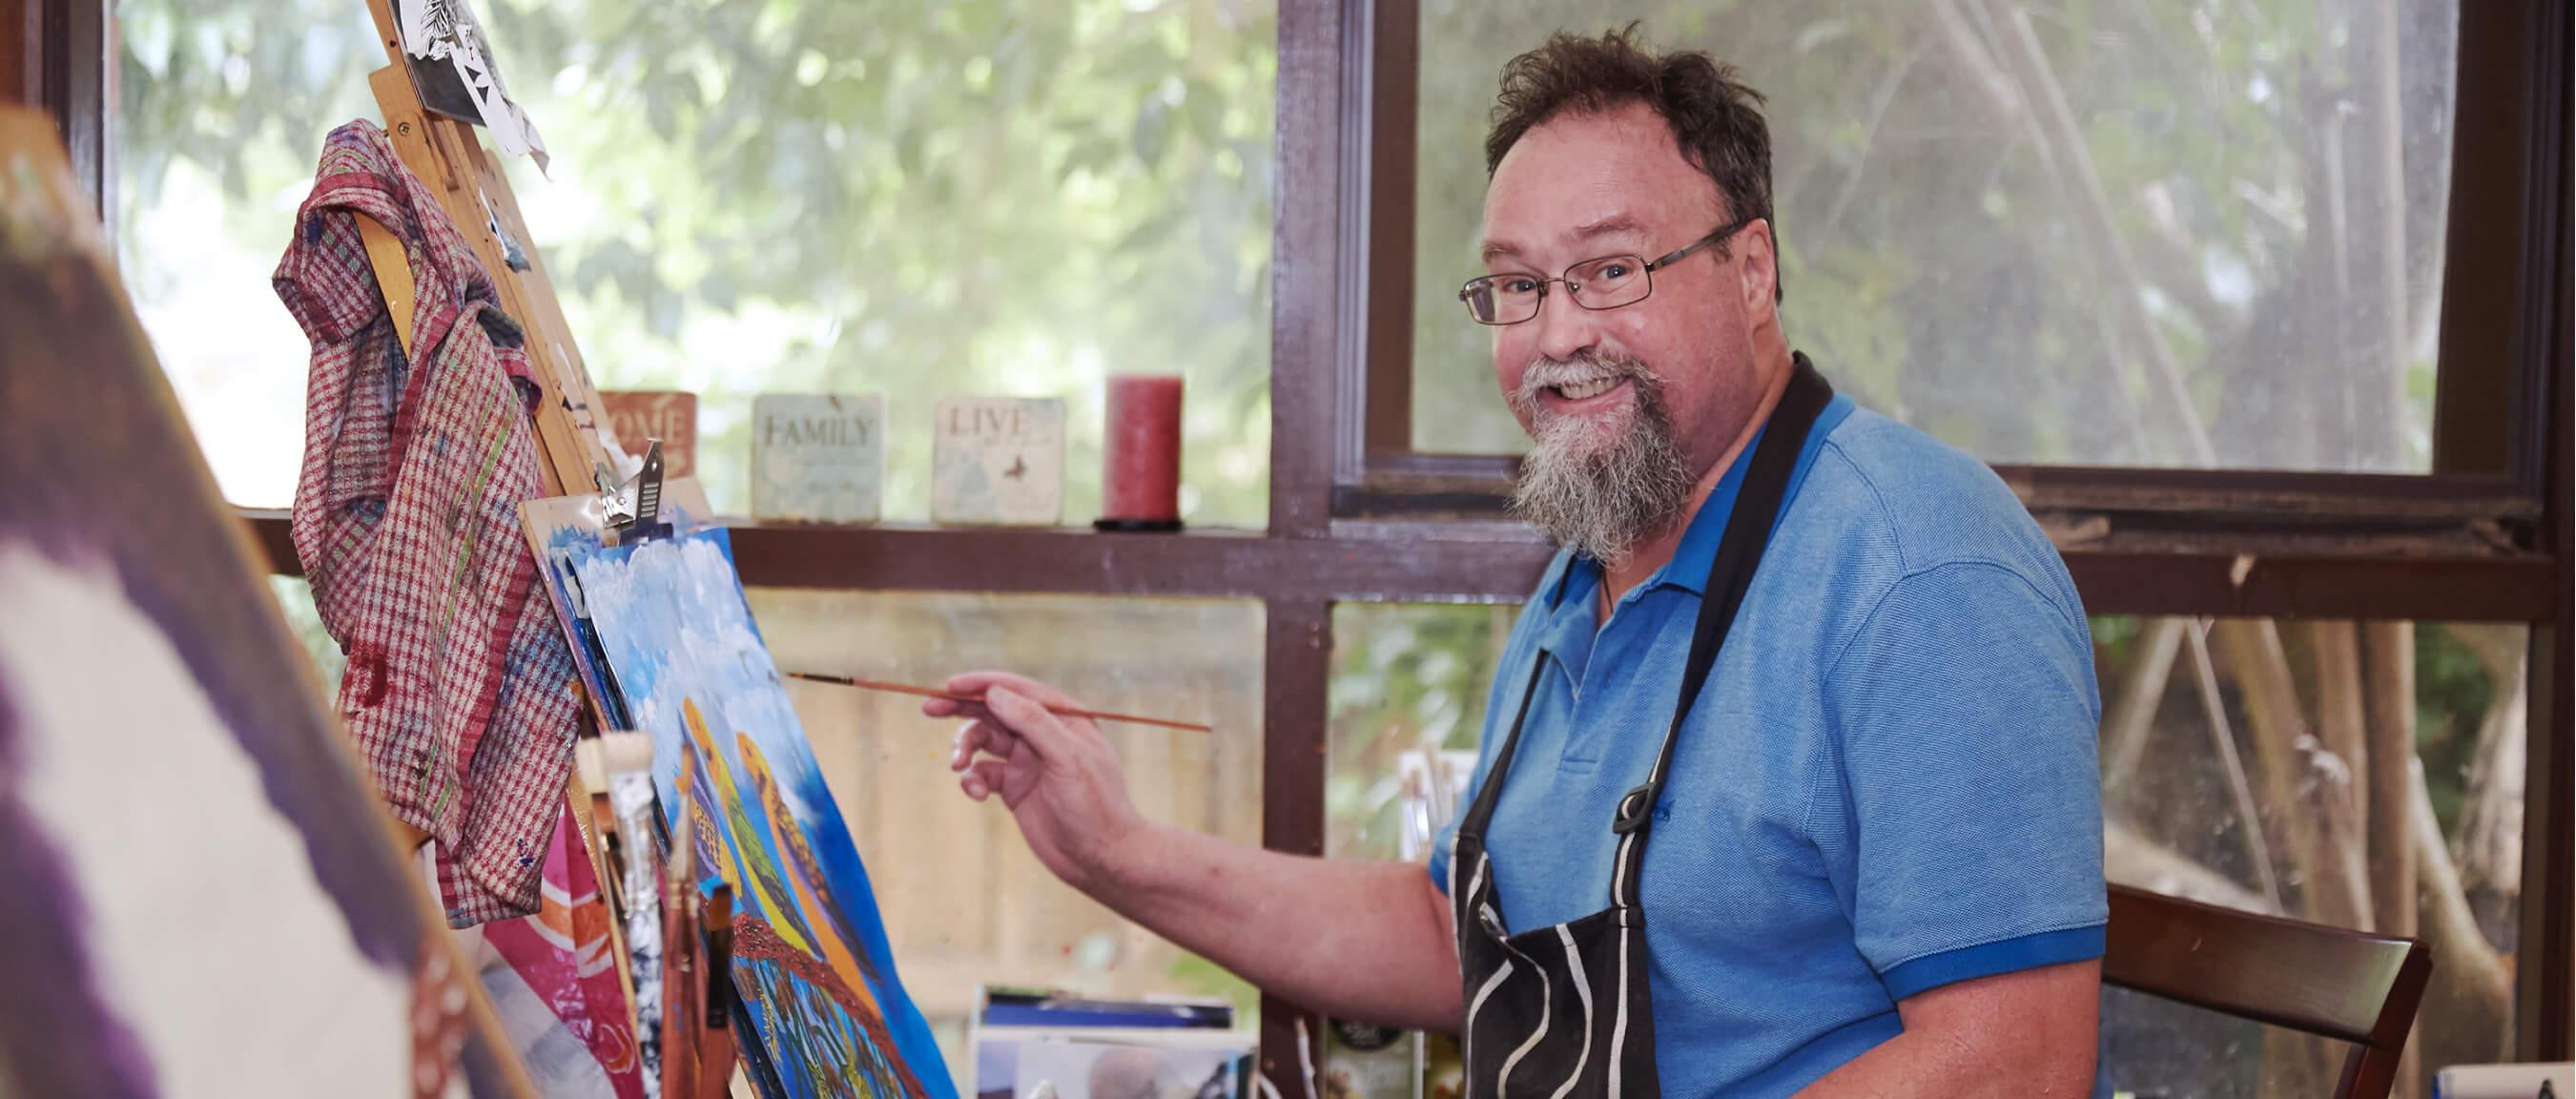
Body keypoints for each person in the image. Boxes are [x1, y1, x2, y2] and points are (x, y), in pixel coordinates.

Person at [934, 25, 2105, 1098]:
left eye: (1609, 270)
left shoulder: (1917, 572)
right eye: (1516, 287)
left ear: (1752, 273)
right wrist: (1119, 852)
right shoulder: (1588, 572)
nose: (1556, 335)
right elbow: (1460, 938)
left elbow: (2013, 1065)